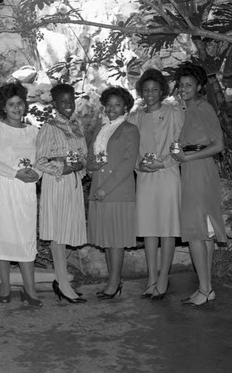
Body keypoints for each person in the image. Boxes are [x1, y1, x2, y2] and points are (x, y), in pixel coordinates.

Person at [171, 62, 227, 306]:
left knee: (196, 231)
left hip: (200, 170)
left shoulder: (203, 108)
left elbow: (218, 145)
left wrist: (187, 157)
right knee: (204, 232)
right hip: (192, 169)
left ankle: (204, 288)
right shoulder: (189, 110)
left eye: (189, 85)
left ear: (199, 87)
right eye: (181, 85)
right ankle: (206, 288)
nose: (183, 88)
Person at [0, 82, 42, 307]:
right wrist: (15, 173)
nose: (17, 108)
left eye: (20, 103)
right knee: (2, 237)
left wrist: (35, 175)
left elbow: (42, 161)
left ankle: (30, 289)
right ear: (3, 107)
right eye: (11, 104)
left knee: (25, 238)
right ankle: (5, 284)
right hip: (1, 188)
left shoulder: (34, 132)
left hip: (25, 190)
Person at [128, 69, 184, 300]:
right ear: (140, 92)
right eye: (146, 90)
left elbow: (183, 142)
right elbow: (129, 149)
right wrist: (139, 166)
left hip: (168, 174)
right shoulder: (134, 117)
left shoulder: (174, 112)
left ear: (162, 91)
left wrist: (163, 162)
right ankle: (151, 278)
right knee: (149, 229)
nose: (150, 94)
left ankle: (163, 278)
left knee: (167, 228)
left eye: (154, 89)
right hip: (144, 177)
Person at [35, 83, 87, 304]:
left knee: (66, 231)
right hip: (56, 183)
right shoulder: (49, 127)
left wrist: (80, 167)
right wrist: (62, 168)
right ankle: (63, 283)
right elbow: (39, 160)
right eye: (63, 101)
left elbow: (83, 156)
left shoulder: (77, 126)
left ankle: (61, 280)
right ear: (54, 104)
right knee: (58, 231)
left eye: (71, 100)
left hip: (72, 184)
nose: (69, 105)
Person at [87, 86, 139, 300]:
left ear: (125, 106)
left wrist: (104, 188)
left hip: (117, 191)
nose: (112, 109)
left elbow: (128, 164)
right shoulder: (101, 129)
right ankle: (113, 279)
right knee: (107, 239)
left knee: (116, 239)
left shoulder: (130, 130)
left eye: (117, 105)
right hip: (99, 188)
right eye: (109, 105)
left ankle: (114, 281)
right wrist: (94, 165)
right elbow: (89, 160)